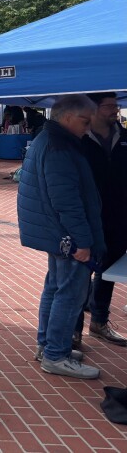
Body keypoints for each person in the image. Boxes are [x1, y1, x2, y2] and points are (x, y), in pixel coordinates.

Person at [18, 94, 104, 379]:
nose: (88, 127)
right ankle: (55, 354)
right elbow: (66, 201)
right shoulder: (59, 146)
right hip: (66, 236)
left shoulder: (49, 139)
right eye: (84, 120)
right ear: (67, 117)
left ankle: (49, 346)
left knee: (55, 288)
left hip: (55, 234)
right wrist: (82, 241)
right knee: (69, 293)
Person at [75, 92, 127, 347]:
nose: (115, 110)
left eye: (115, 105)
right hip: (87, 219)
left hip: (119, 218)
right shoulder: (79, 141)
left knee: (108, 273)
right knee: (80, 273)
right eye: (109, 106)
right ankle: (73, 331)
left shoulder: (124, 138)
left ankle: (99, 321)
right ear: (93, 109)